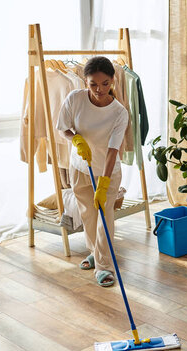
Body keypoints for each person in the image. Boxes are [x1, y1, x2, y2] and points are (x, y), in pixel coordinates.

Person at [56, 56, 128, 287]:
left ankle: (104, 267)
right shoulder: (75, 98)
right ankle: (94, 252)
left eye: (105, 83)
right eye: (93, 84)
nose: (99, 90)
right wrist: (75, 138)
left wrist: (105, 182)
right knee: (87, 213)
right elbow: (62, 128)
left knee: (104, 218)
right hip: (80, 166)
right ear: (85, 81)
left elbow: (112, 151)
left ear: (113, 81)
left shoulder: (119, 112)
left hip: (106, 171)